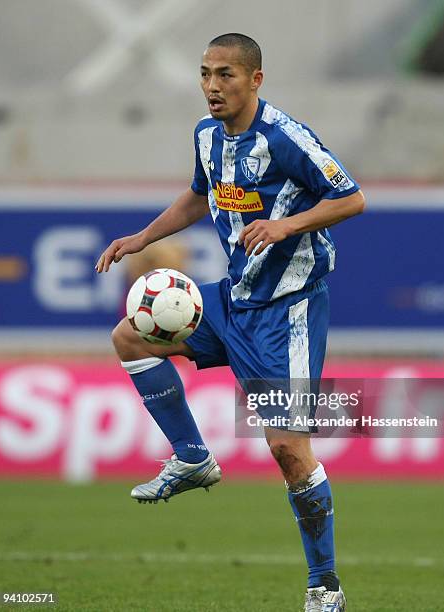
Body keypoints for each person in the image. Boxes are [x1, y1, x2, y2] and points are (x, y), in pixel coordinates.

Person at [96, 33, 364, 612]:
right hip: (234, 299)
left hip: (287, 310)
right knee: (129, 335)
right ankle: (192, 456)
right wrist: (143, 238)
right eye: (205, 74)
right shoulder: (205, 135)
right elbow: (200, 196)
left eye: (226, 75)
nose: (213, 86)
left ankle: (324, 587)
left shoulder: (287, 138)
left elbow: (351, 198)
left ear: (255, 79)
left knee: (289, 452)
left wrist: (286, 226)